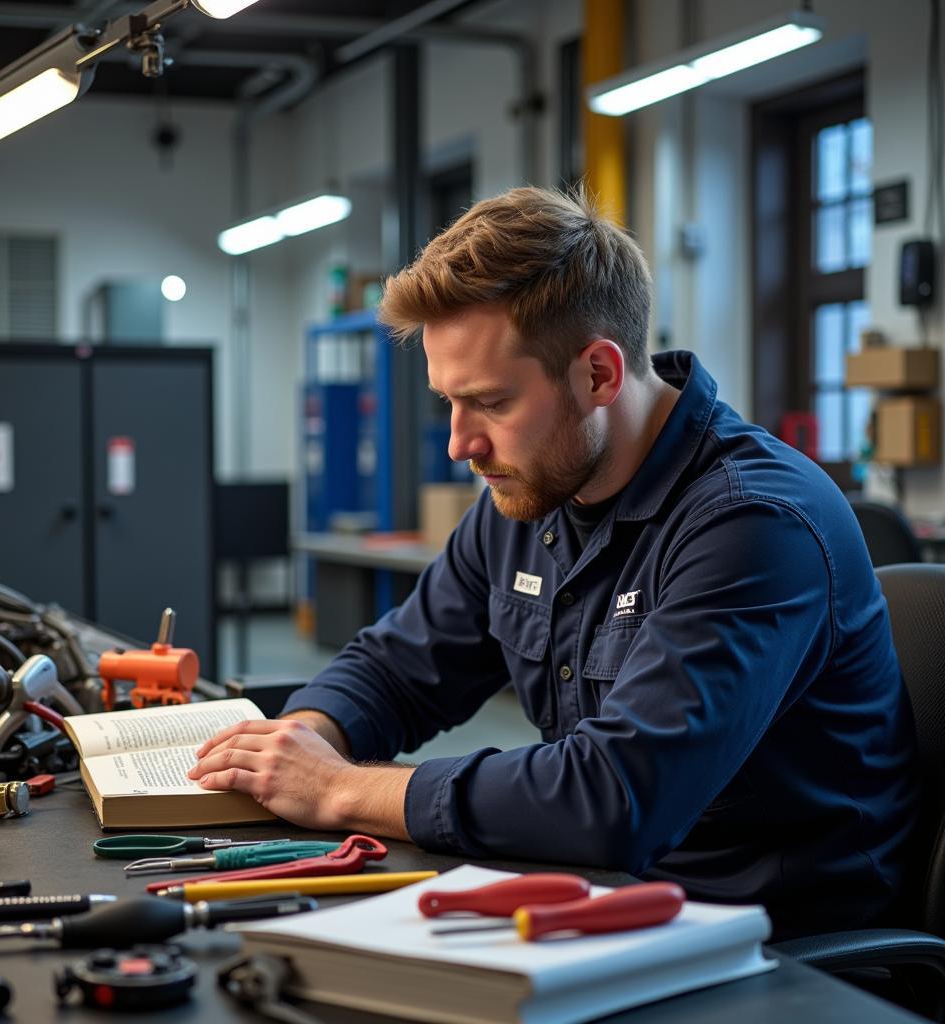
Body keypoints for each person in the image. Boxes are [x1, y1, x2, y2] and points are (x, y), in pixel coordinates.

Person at [189, 186, 918, 939]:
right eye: (448, 402)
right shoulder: (532, 493)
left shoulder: (753, 524)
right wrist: (304, 739)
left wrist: (339, 789)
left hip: (771, 952)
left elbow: (612, 800)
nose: (459, 444)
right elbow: (399, 667)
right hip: (601, 905)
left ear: (599, 375)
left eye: (491, 403)